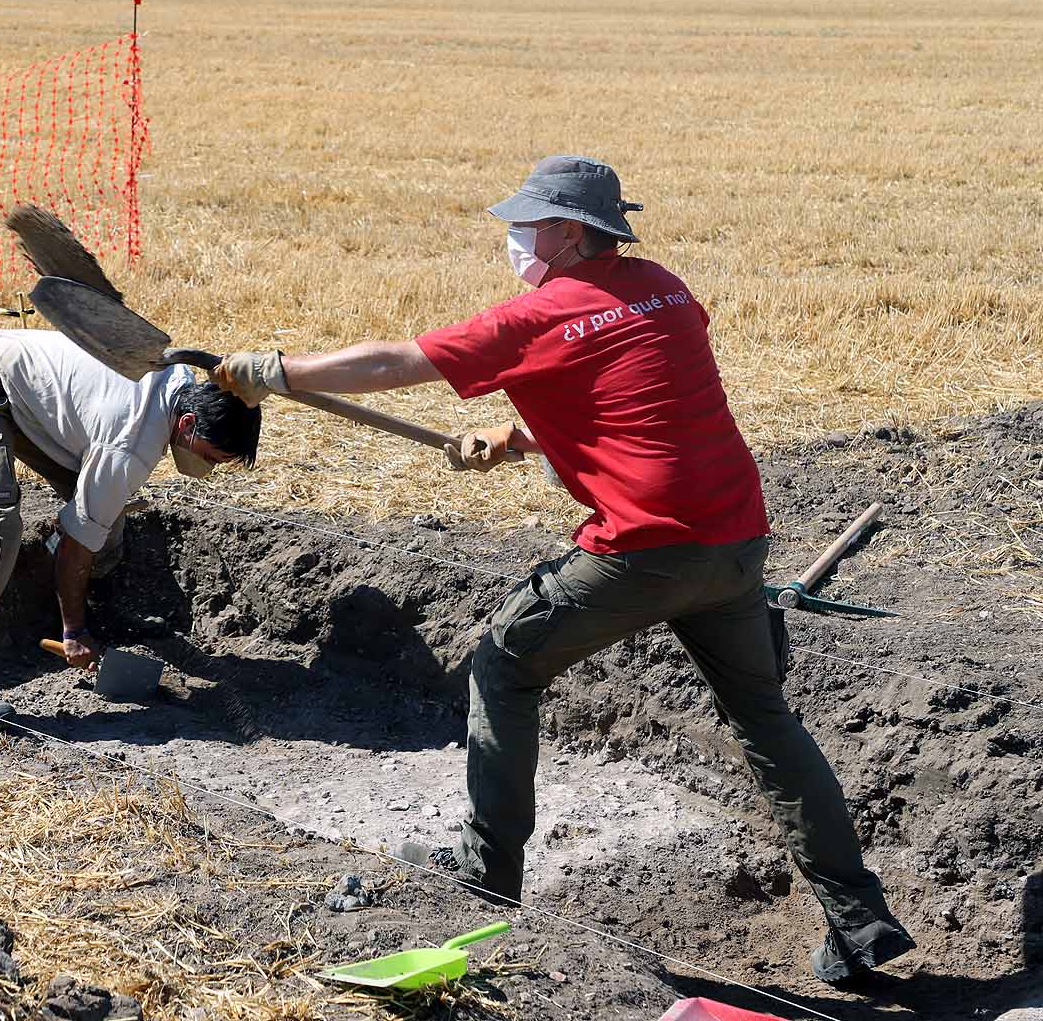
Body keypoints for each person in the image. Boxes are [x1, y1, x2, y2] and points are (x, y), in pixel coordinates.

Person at [209, 155, 914, 985]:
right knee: (764, 717)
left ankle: (484, 873)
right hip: (735, 537)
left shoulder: (537, 316)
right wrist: (516, 439)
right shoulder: (666, 287)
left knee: (504, 662)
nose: (515, 240)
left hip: (645, 548)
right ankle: (860, 919)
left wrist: (274, 373)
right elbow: (637, 401)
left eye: (529, 226)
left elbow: (390, 363)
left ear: (571, 233)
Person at [0, 328, 260, 724]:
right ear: (187, 423)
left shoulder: (179, 385)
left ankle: (100, 613)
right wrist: (72, 633)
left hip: (32, 399)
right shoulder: (130, 443)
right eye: (214, 457)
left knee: (106, 506)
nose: (212, 468)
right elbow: (77, 544)